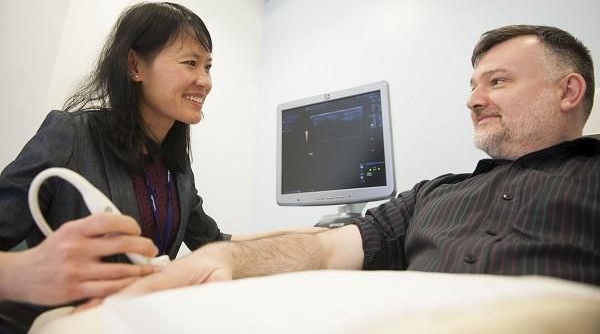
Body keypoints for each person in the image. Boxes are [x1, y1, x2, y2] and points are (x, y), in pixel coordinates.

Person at [118, 24, 599, 296]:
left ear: (568, 91)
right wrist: (226, 257)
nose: (473, 101)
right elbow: (326, 248)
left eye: (496, 82)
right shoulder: (433, 196)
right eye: (472, 86)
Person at [0, 2, 229, 313]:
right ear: (135, 66)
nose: (205, 81)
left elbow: (214, 242)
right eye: (190, 62)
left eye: (208, 66)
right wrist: (20, 272)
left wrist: (307, 238)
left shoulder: (178, 170)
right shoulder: (71, 135)